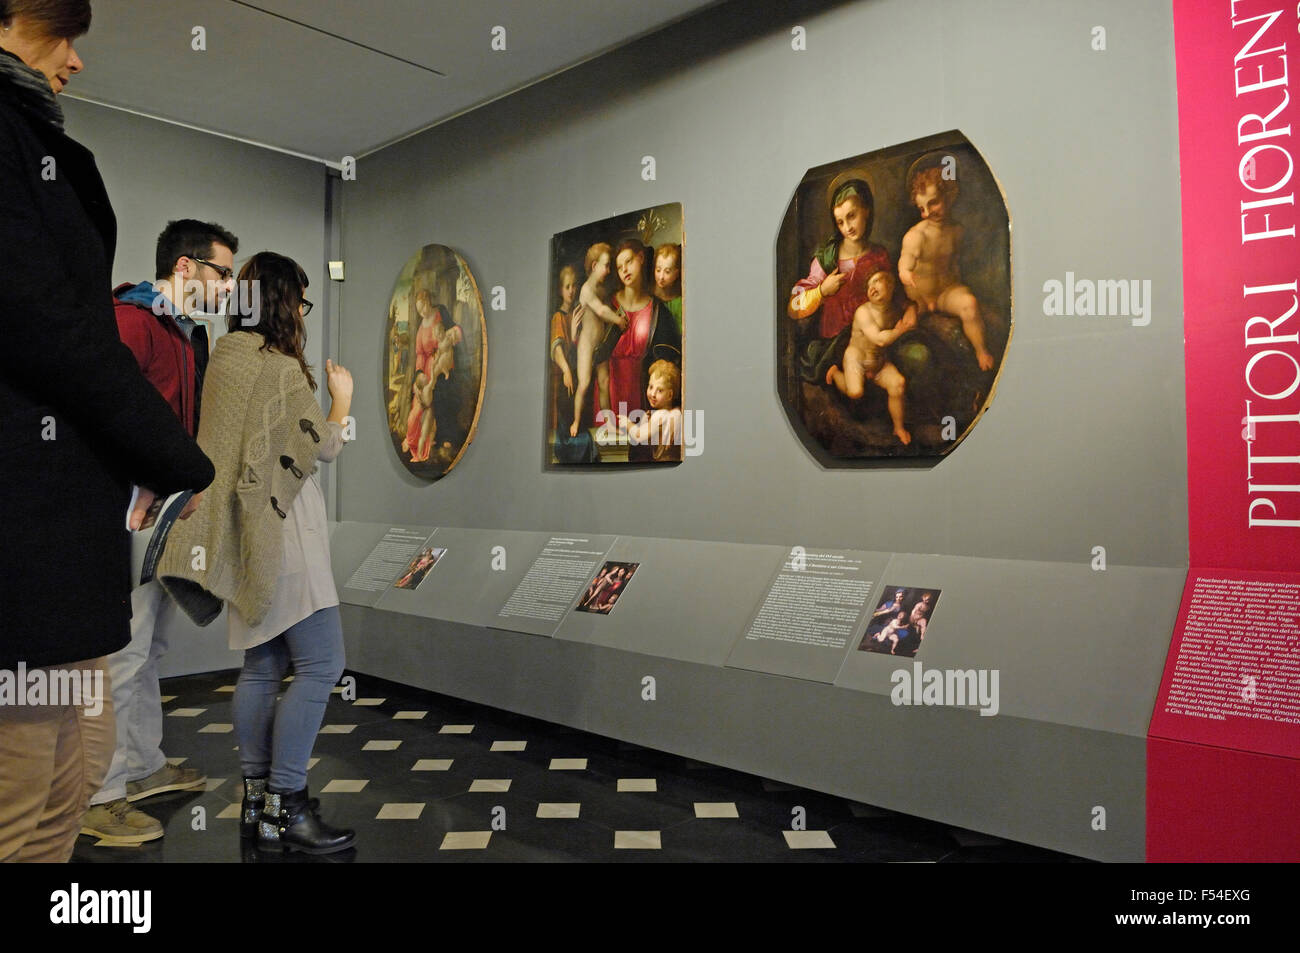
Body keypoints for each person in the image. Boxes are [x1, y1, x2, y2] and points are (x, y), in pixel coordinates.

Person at [0, 0, 214, 863]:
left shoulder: (31, 141)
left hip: (73, 523)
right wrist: (172, 460)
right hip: (27, 527)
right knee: (23, 795)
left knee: (74, 771)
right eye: (61, 32)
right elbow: (51, 326)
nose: (74, 60)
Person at [156, 252, 356, 854]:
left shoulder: (225, 357)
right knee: (323, 664)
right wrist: (341, 401)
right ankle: (288, 803)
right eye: (299, 299)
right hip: (284, 528)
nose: (302, 311)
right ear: (281, 301)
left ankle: (258, 807)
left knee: (263, 668)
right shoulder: (279, 368)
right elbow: (320, 448)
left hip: (243, 532)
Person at [81, 220, 239, 847]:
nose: (230, 285)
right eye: (223, 272)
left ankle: (143, 767)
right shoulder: (130, 321)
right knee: (121, 653)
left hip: (167, 512)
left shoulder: (187, 334)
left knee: (151, 649)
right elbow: (104, 415)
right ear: (185, 266)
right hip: (127, 513)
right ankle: (101, 795)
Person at [898, 165, 994, 371]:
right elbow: (906, 260)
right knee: (907, 326)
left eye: (933, 203)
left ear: (949, 195)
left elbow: (955, 263)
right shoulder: (917, 235)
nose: (927, 213)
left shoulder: (957, 231)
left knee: (970, 304)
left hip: (945, 293)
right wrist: (905, 272)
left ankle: (981, 351)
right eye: (921, 208)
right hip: (920, 299)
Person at [606, 238, 681, 462]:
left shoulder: (660, 312)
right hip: (612, 391)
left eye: (628, 261)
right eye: (619, 266)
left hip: (643, 394)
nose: (625, 270)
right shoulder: (607, 307)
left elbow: (669, 362)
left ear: (640, 258)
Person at [788, 178, 893, 338]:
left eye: (852, 216)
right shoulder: (828, 259)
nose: (848, 227)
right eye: (840, 222)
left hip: (875, 336)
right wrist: (822, 291)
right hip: (836, 342)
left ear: (866, 210)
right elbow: (793, 307)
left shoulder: (879, 254)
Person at [825, 270, 917, 444]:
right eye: (869, 285)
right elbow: (879, 340)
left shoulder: (894, 309)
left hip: (879, 362)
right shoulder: (863, 312)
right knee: (855, 392)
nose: (872, 288)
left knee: (898, 384)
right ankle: (836, 373)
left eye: (876, 282)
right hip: (857, 358)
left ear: (890, 286)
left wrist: (912, 309)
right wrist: (900, 330)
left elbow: (912, 308)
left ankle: (898, 428)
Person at [571, 243, 626, 437]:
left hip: (600, 346)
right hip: (587, 346)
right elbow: (601, 311)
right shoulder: (586, 290)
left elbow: (604, 313)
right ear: (594, 266)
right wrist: (618, 320)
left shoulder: (601, 290)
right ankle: (576, 421)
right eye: (606, 265)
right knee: (584, 384)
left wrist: (617, 318)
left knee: (604, 382)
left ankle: (609, 424)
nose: (609, 270)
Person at [621, 358, 682, 462]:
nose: (653, 394)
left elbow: (638, 435)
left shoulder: (660, 415)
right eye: (651, 387)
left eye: (660, 390)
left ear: (670, 395)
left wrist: (627, 423)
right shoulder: (673, 411)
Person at [653, 243, 682, 335]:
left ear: (676, 274)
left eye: (667, 272)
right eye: (658, 270)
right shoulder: (648, 292)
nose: (661, 277)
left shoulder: (679, 303)